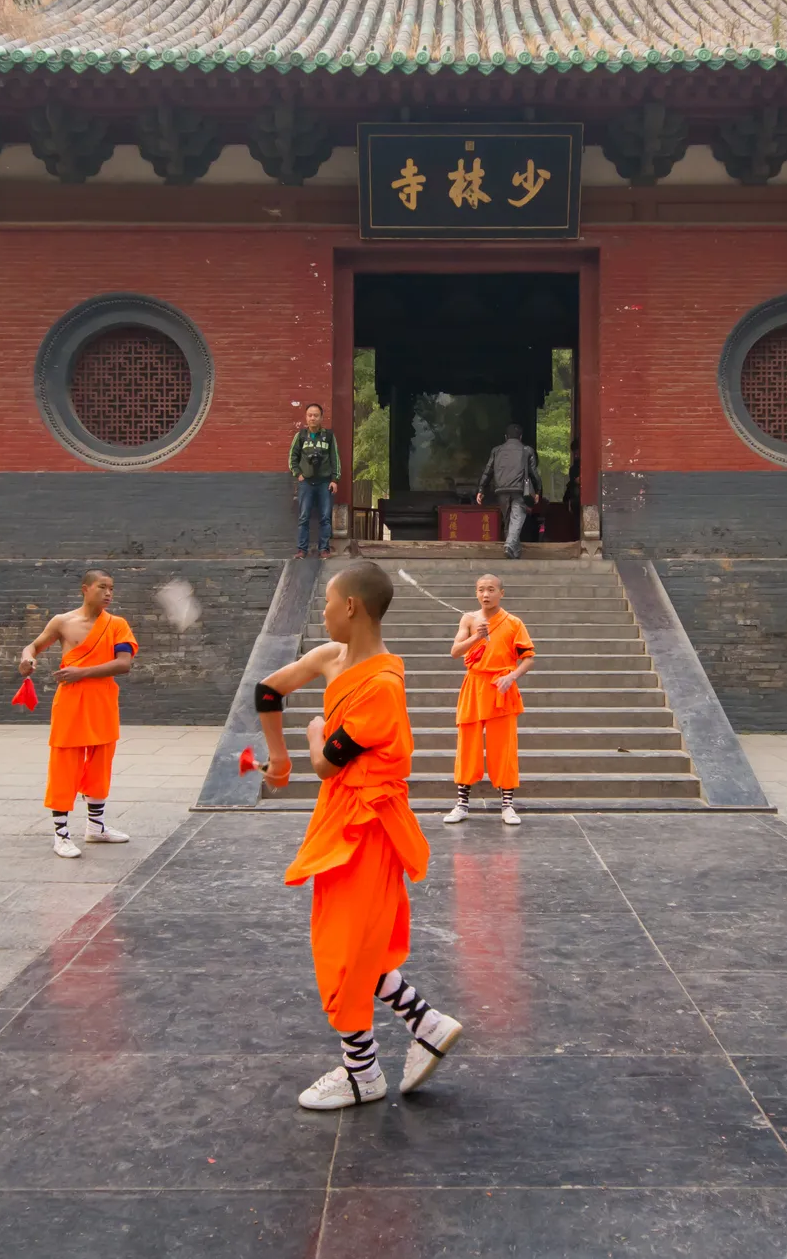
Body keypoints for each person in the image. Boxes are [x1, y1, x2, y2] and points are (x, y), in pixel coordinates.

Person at [256, 561, 463, 1110]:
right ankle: (424, 1026)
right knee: (349, 943)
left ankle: (362, 1073)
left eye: (326, 603)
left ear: (351, 607)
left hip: (366, 828)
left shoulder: (381, 688)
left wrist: (308, 736)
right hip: (341, 820)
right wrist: (275, 756)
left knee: (343, 947)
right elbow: (267, 690)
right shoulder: (330, 658)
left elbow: (325, 764)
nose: (321, 612)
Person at [18, 570, 136, 858]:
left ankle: (96, 827)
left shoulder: (117, 625)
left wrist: (81, 673)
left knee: (100, 762)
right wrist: (27, 658)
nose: (108, 593)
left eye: (111, 588)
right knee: (65, 764)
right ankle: (61, 833)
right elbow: (34, 646)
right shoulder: (63, 622)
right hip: (70, 702)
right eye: (102, 587)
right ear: (85, 589)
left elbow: (123, 664)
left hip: (103, 700)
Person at [444, 573, 535, 826]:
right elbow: (454, 652)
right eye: (481, 590)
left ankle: (507, 805)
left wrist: (512, 677)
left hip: (501, 687)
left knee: (504, 747)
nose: (486, 594)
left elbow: (528, 657)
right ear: (476, 593)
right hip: (474, 685)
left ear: (501, 593)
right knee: (467, 745)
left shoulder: (514, 622)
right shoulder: (469, 619)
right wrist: (476, 637)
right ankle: (462, 803)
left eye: (491, 589)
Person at [475, 423, 538, 559]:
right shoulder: (527, 450)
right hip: (519, 489)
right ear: (520, 437)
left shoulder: (496, 451)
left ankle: (515, 552)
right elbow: (534, 473)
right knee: (516, 518)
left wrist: (481, 488)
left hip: (501, 490)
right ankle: (509, 545)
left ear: (505, 437)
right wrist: (538, 490)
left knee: (509, 519)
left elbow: (488, 471)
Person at [289, 402, 340, 560]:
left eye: (316, 415)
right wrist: (298, 474)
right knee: (304, 517)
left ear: (321, 417)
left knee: (325, 517)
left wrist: (335, 479)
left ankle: (324, 549)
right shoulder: (301, 436)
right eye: (310, 415)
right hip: (306, 483)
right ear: (306, 417)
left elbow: (335, 458)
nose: (313, 418)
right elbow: (293, 458)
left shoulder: (329, 436)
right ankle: (301, 550)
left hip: (325, 483)